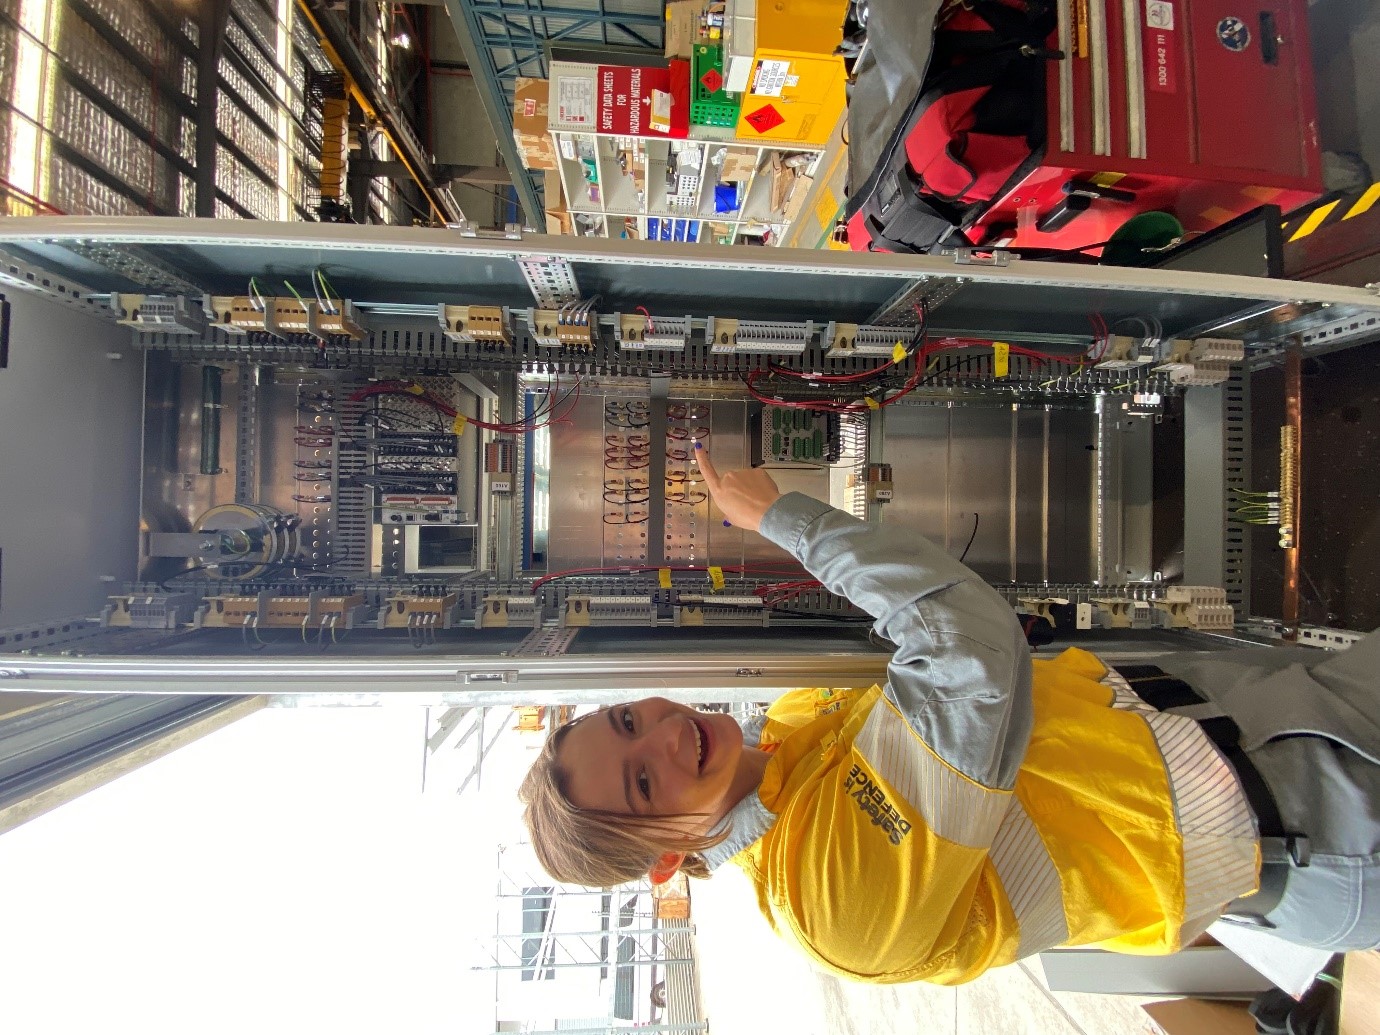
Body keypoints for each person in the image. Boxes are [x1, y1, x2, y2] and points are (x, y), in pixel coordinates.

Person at [520, 446, 1380, 984]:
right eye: (642, 783)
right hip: (1319, 829)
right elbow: (970, 655)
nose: (669, 736)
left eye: (629, 719)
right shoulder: (827, 899)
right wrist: (782, 518)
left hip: (1266, 722)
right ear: (668, 857)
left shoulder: (788, 722)